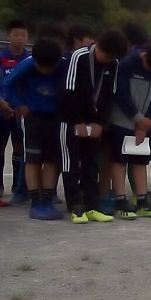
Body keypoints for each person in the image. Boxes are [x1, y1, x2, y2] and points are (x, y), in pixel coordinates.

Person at [60, 29, 129, 224]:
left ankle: (92, 205)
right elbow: (68, 91)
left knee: (91, 163)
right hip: (70, 119)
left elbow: (109, 95)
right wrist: (77, 121)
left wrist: (100, 123)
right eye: (106, 55)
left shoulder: (114, 64)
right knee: (71, 163)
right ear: (97, 46)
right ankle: (75, 205)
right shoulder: (79, 57)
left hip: (94, 121)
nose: (109, 59)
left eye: (113, 57)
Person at [107, 43, 151, 219]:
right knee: (119, 160)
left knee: (141, 160)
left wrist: (146, 122)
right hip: (121, 121)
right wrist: (138, 118)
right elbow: (120, 94)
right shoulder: (127, 64)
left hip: (145, 123)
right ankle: (120, 200)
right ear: (145, 57)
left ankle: (142, 200)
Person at [3, 38, 66, 219]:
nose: (46, 70)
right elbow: (8, 84)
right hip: (32, 118)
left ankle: (48, 197)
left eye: (49, 67)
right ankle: (35, 200)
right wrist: (19, 104)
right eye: (42, 66)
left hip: (55, 117)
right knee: (33, 159)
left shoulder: (63, 65)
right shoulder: (27, 64)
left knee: (52, 159)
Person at [0, 19, 31, 203]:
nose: (20, 38)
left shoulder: (30, 59)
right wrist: (1, 103)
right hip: (1, 110)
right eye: (16, 34)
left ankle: (19, 188)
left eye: (23, 35)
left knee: (20, 147)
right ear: (8, 36)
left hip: (20, 111)